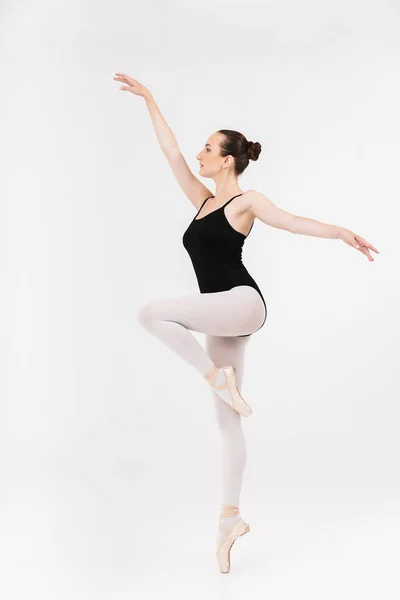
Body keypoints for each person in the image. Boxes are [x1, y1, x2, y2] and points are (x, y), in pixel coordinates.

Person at [113, 72, 379, 573]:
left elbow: (295, 221)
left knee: (151, 312)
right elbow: (171, 154)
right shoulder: (203, 201)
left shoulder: (245, 202)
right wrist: (150, 99)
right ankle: (229, 520)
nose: (199, 154)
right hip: (220, 314)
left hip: (242, 302)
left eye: (208, 149)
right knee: (226, 420)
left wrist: (341, 232)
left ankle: (217, 378)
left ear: (227, 160)